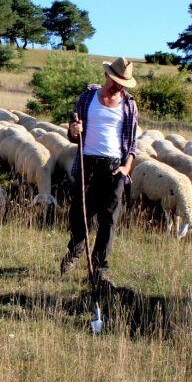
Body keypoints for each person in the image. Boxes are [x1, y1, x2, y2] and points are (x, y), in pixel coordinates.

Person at [60, 57, 138, 290]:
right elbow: (73, 135)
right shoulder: (87, 98)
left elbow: (132, 143)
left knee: (109, 220)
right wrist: (74, 131)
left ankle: (98, 271)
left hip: (115, 167)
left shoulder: (129, 105)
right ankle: (76, 250)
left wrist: (126, 168)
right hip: (87, 163)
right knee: (79, 215)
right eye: (115, 81)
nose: (118, 86)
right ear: (106, 76)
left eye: (123, 83)